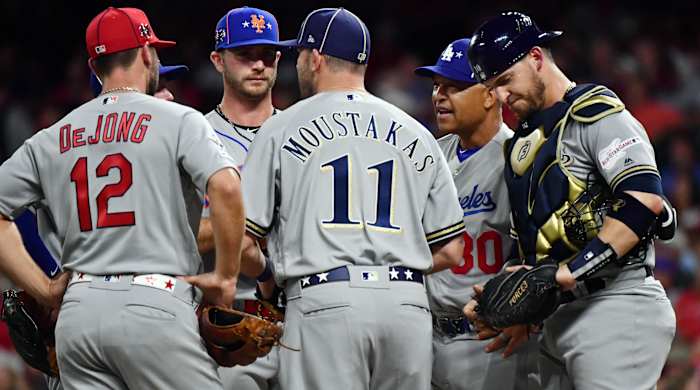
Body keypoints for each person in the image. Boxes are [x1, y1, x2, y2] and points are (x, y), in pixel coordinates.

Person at [0, 7, 243, 389]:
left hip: (78, 316)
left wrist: (44, 289)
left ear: (94, 66)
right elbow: (227, 186)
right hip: (154, 304)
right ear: (147, 53)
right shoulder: (178, 119)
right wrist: (226, 277)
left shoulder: (52, 135)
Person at [241, 8, 465, 389]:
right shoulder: (416, 130)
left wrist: (268, 279)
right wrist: (391, 267)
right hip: (406, 306)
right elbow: (453, 249)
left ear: (315, 58)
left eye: (299, 56)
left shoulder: (280, 128)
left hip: (325, 301)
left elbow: (245, 242)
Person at [464, 11, 676, 390]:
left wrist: (566, 274)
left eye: (505, 80)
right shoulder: (523, 145)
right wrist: (511, 300)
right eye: (492, 87)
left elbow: (645, 203)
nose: (499, 96)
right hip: (559, 317)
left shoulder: (595, 114)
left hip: (614, 305)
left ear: (535, 57)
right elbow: (539, 243)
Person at [414, 37, 538, 390]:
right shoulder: (428, 154)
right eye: (437, 86)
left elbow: (535, 252)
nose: (439, 96)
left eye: (453, 87)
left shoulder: (518, 157)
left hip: (491, 340)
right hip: (430, 339)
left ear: (489, 94)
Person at [198, 7, 285, 390]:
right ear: (218, 60)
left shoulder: (301, 132)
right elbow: (181, 234)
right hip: (232, 321)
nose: (258, 65)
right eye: (245, 55)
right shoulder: (195, 137)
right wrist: (246, 228)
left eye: (267, 56)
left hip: (304, 314)